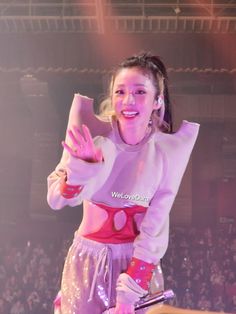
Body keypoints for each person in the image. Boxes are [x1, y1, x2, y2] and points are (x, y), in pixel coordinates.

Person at [47, 52, 200, 314]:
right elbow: (56, 199)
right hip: (88, 263)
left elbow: (155, 227)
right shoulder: (92, 136)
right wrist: (82, 167)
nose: (128, 100)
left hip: (137, 266)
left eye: (140, 91)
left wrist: (129, 293)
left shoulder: (168, 151)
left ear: (157, 100)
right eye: (120, 92)